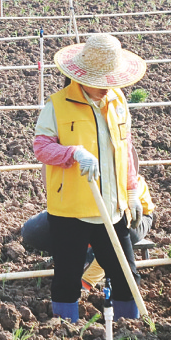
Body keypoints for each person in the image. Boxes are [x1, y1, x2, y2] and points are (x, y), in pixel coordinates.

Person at [33, 33, 147, 322]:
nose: (105, 88)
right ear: (81, 76)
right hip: (71, 211)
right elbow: (42, 148)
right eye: (99, 82)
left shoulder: (118, 102)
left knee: (125, 274)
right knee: (67, 279)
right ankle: (64, 329)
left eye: (110, 80)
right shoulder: (57, 106)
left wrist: (132, 191)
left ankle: (130, 327)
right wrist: (73, 153)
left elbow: (125, 148)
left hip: (112, 208)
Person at [21, 175, 156, 292]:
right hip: (84, 212)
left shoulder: (117, 179)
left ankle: (91, 253)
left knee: (115, 235)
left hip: (134, 215)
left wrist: (86, 282)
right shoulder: (81, 179)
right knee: (34, 230)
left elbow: (116, 241)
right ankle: (84, 252)